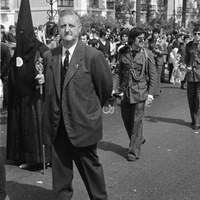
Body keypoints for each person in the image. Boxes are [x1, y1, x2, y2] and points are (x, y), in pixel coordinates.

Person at [36, 9, 113, 199]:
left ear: (79, 29)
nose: (67, 29)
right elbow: (49, 90)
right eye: (63, 26)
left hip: (82, 126)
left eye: (71, 25)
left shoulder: (93, 56)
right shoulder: (49, 56)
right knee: (61, 182)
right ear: (58, 30)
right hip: (57, 128)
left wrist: (88, 112)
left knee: (92, 176)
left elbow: (104, 89)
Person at [114, 27, 157, 161]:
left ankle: (133, 152)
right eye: (140, 39)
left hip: (140, 93)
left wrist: (150, 95)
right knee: (127, 121)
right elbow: (117, 72)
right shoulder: (123, 53)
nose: (143, 41)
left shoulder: (147, 54)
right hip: (125, 93)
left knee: (137, 122)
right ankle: (139, 139)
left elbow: (153, 75)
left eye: (144, 39)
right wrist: (115, 89)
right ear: (132, 40)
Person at [185, 26, 200, 131]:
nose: (197, 36)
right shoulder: (189, 45)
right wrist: (186, 65)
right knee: (191, 98)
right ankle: (194, 119)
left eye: (199, 34)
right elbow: (186, 58)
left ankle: (197, 122)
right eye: (195, 34)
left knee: (199, 99)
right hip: (191, 75)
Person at [148, 28, 167, 97]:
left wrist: (160, 52)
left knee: (158, 76)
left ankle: (157, 91)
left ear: (158, 34)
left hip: (159, 60)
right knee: (152, 75)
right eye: (154, 33)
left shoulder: (162, 41)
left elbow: (166, 51)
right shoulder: (150, 41)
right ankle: (152, 90)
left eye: (156, 33)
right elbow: (148, 49)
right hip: (152, 59)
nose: (154, 34)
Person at [0, 42, 11, 115]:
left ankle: (6, 106)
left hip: (5, 73)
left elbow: (7, 62)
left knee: (5, 90)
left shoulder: (4, 48)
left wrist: (1, 73)